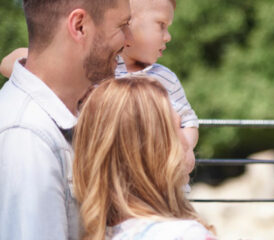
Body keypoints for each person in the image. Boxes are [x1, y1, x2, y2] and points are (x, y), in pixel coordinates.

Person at [73, 76, 274, 240]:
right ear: (153, 148)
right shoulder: (182, 236)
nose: (189, 134)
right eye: (177, 126)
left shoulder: (100, 232)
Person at [0, 0, 199, 174]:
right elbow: (11, 62)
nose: (167, 36)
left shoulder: (163, 78)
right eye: (161, 25)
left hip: (156, 182)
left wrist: (185, 149)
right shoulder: (101, 70)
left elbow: (189, 121)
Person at [0, 0, 132, 239]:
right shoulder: (28, 137)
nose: (129, 40)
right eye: (122, 25)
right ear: (79, 26)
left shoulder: (57, 120)